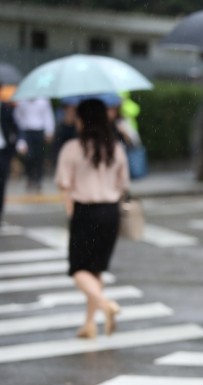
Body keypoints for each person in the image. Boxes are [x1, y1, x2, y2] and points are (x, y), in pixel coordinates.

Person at [55, 98, 129, 339]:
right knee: (95, 270)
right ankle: (90, 324)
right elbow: (123, 184)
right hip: (110, 212)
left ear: (82, 120)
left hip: (85, 211)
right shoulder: (114, 148)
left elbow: (63, 183)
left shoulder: (72, 148)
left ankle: (106, 304)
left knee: (78, 269)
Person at [13, 97, 55, 192]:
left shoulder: (43, 101)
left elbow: (48, 116)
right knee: (28, 156)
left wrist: (49, 131)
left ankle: (38, 179)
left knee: (39, 156)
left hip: (39, 131)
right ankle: (30, 177)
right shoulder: (22, 101)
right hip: (26, 131)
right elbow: (17, 116)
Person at [0, 85, 20, 225]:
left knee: (1, 185)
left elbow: (15, 128)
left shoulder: (6, 109)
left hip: (3, 152)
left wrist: (13, 150)